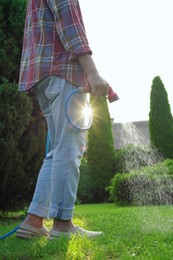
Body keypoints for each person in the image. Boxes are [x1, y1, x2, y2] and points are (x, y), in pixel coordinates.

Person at [16, 0, 109, 239]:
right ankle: (63, 225)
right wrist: (91, 71)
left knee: (56, 151)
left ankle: (34, 220)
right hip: (63, 72)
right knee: (69, 149)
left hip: (42, 76)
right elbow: (70, 26)